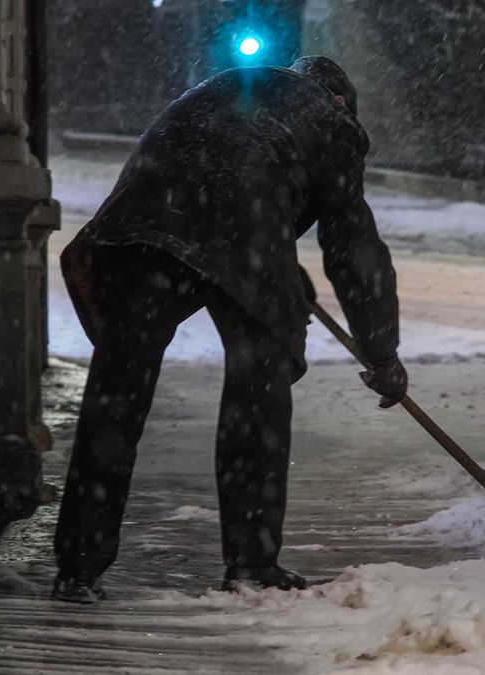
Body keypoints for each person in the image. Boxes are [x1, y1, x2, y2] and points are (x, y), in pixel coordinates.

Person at [54, 56, 408, 603]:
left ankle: (78, 564)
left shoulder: (225, 89)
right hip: (238, 242)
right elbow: (352, 246)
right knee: (256, 394)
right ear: (341, 103)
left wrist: (286, 276)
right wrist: (382, 352)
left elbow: (230, 172)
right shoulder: (332, 121)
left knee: (116, 399)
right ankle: (251, 561)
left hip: (142, 230)